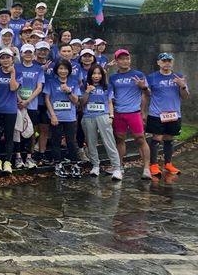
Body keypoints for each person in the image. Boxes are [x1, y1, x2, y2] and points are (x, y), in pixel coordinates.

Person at [109, 49, 152, 179]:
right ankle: (119, 166)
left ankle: (146, 168)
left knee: (140, 138)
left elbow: (148, 93)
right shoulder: (113, 77)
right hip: (119, 113)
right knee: (119, 139)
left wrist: (143, 87)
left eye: (127, 58)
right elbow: (110, 96)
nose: (125, 61)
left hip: (134, 112)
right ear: (116, 61)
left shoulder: (138, 74)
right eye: (121, 59)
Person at [146, 52, 189, 176]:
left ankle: (168, 163)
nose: (167, 63)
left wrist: (182, 86)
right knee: (157, 138)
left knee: (169, 138)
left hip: (174, 114)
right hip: (156, 113)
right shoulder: (152, 77)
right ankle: (153, 164)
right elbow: (146, 94)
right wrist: (143, 111)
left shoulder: (178, 76)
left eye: (169, 61)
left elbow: (185, 96)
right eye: (164, 61)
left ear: (172, 62)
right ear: (158, 62)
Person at [80, 64, 122, 180]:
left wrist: (111, 116)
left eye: (99, 73)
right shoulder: (84, 86)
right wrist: (87, 91)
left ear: (102, 75)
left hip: (103, 115)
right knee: (91, 142)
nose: (96, 76)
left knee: (109, 141)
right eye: (94, 73)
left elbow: (110, 102)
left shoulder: (107, 87)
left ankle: (117, 168)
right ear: (90, 75)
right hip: (88, 116)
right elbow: (81, 103)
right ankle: (95, 165)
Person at [45, 59, 81, 165]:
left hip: (70, 117)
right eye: (61, 68)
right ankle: (57, 162)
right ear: (56, 70)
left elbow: (76, 101)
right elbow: (47, 99)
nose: (63, 71)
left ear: (69, 70)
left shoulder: (73, 82)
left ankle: (74, 163)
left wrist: (69, 91)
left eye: (65, 69)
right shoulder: (51, 82)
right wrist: (52, 115)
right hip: (56, 116)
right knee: (55, 140)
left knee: (71, 141)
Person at [15, 43, 45, 169]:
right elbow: (13, 85)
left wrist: (27, 101)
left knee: (31, 131)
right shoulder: (16, 67)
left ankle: (29, 157)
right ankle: (18, 157)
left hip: (32, 105)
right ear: (21, 54)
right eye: (25, 52)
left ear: (34, 54)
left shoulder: (38, 69)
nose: (28, 55)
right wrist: (20, 100)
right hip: (17, 104)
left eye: (30, 52)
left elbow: (39, 87)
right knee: (17, 130)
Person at [0, 48, 20, 173]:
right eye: (2, 58)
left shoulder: (18, 72)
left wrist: (12, 73)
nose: (5, 60)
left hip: (10, 109)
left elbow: (13, 88)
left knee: (9, 136)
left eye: (8, 57)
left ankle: (8, 162)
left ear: (12, 59)